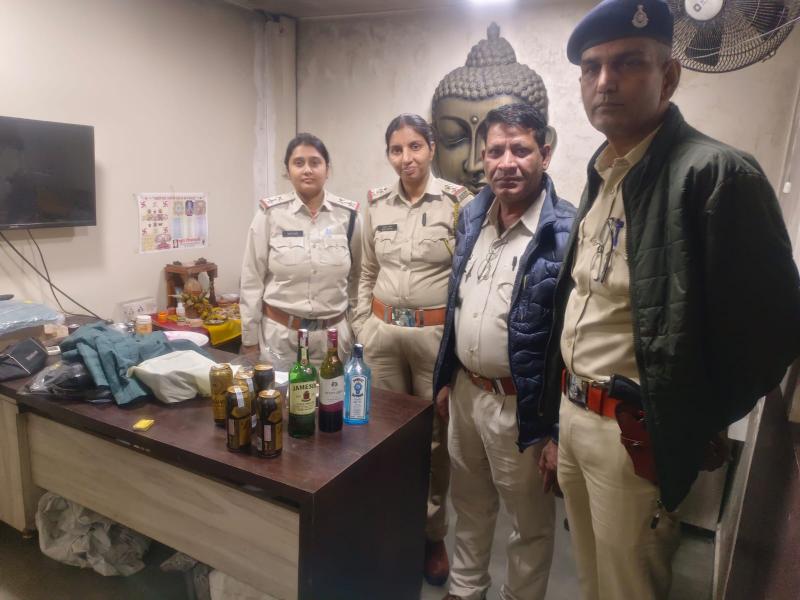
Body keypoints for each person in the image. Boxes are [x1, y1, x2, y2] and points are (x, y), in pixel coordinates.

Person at [538, 2, 800, 599]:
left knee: (630, 584)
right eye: (592, 67)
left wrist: (690, 419)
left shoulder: (715, 174)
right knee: (592, 579)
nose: (606, 81)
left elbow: (776, 329)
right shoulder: (604, 173)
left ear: (669, 76)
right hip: (575, 418)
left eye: (628, 63)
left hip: (635, 432)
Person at [432, 103, 576, 600]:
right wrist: (446, 378)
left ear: (545, 154)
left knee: (528, 524)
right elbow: (457, 300)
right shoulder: (473, 215)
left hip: (522, 408)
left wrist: (556, 431)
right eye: (496, 151)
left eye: (520, 149)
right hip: (467, 393)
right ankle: (465, 589)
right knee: (469, 506)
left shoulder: (566, 232)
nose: (506, 162)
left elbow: (572, 344)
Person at [353, 113, 472, 586]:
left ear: (431, 148)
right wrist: (362, 325)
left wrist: (456, 342)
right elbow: (366, 270)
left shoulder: (458, 202)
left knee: (433, 441)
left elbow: (465, 276)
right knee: (381, 433)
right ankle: (387, 523)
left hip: (432, 340)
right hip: (382, 337)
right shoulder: (375, 204)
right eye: (397, 149)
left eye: (415, 147)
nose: (406, 158)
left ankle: (430, 534)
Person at [240, 133, 361, 371]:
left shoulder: (349, 217)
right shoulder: (270, 215)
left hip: (333, 339)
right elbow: (251, 280)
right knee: (280, 395)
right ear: (288, 170)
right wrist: (249, 339)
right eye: (299, 163)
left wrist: (359, 330)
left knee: (332, 395)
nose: (307, 170)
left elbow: (358, 280)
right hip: (280, 338)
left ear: (327, 169)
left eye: (315, 162)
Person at [431, 22, 555, 194]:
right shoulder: (457, 213)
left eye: (519, 149)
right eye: (454, 136)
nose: (474, 165)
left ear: (545, 151)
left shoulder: (562, 214)